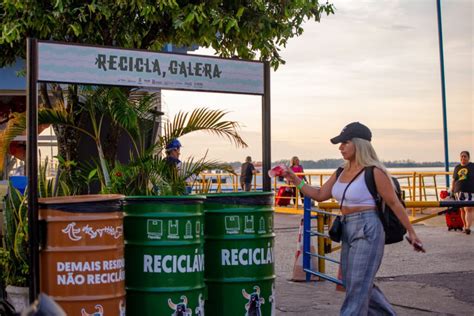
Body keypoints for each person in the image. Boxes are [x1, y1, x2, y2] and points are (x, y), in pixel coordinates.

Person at [282, 122, 423, 316]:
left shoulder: (374, 171)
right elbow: (320, 194)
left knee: (358, 283)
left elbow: (394, 203)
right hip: (347, 226)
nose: (340, 147)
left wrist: (412, 232)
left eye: (345, 143)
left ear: (359, 144)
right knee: (352, 281)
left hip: (368, 227)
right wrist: (296, 180)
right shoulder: (341, 171)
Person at [451, 150, 474, 235]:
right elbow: (454, 180)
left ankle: (468, 227)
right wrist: (452, 191)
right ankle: (464, 226)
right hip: (458, 191)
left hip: (470, 191)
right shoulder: (457, 167)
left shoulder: (472, 166)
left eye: (465, 156)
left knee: (469, 208)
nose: (463, 158)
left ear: (468, 158)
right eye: (462, 156)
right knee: (462, 210)